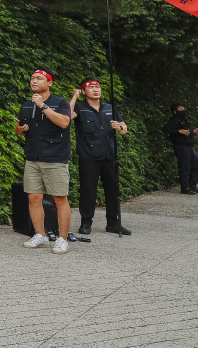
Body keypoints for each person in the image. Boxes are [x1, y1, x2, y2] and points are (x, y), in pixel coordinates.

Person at [14, 67, 74, 255]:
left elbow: (64, 122)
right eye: (32, 78)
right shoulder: (25, 105)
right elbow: (19, 129)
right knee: (33, 197)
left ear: (50, 83)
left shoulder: (60, 102)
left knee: (60, 199)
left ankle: (62, 239)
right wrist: (20, 129)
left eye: (39, 78)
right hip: (33, 157)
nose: (34, 81)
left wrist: (43, 106)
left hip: (55, 158)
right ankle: (40, 236)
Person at [69, 79, 131, 235]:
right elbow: (67, 117)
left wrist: (120, 127)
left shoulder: (110, 108)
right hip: (88, 156)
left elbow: (124, 128)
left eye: (97, 87)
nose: (95, 90)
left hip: (109, 155)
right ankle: (86, 223)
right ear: (84, 92)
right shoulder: (80, 107)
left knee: (113, 190)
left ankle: (113, 223)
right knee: (88, 191)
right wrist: (74, 97)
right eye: (90, 87)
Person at [162, 104, 198, 195]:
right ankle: (185, 187)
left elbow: (186, 134)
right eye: (180, 109)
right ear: (175, 112)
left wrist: (193, 133)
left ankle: (192, 185)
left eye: (183, 109)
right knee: (184, 167)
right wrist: (179, 131)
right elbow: (165, 128)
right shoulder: (174, 120)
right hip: (180, 146)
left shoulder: (184, 121)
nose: (183, 110)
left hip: (188, 146)